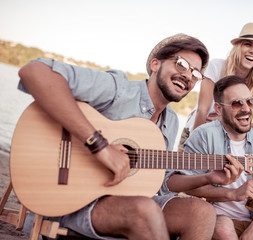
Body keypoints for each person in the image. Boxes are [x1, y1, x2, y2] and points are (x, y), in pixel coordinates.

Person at [18, 33, 218, 240]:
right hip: (68, 203)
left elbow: (163, 181)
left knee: (202, 212)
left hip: (127, 206)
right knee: (145, 210)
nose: (188, 76)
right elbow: (34, 71)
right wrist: (99, 146)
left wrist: (208, 177)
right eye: (181, 64)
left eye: (196, 74)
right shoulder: (118, 89)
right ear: (156, 64)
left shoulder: (172, 122)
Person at [156, 75, 253, 239]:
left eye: (250, 101)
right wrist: (231, 193)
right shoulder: (204, 135)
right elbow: (179, 183)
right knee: (224, 229)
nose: (246, 108)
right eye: (237, 103)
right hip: (215, 216)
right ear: (218, 109)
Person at [178, 22, 253, 151]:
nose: (252, 51)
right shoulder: (217, 66)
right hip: (197, 129)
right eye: (247, 44)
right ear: (238, 47)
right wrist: (195, 145)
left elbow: (244, 121)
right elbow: (202, 110)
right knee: (182, 170)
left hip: (226, 141)